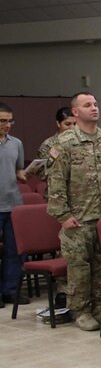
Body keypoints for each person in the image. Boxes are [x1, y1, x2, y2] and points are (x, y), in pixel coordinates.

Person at [47, 92, 101, 331]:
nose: (94, 108)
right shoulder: (64, 143)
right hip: (78, 218)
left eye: (95, 104)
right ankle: (81, 310)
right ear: (75, 112)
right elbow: (56, 182)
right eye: (87, 105)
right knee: (80, 268)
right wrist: (62, 216)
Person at [0, 103, 27, 305]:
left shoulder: (16, 143)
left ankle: (10, 290)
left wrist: (26, 174)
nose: (7, 125)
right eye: (3, 121)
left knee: (14, 251)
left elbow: (18, 171)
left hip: (13, 204)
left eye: (10, 121)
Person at [35, 105, 77, 180]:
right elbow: (42, 174)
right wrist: (57, 150)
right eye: (67, 124)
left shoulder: (83, 143)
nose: (72, 128)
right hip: (57, 188)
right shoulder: (49, 144)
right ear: (58, 124)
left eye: (75, 124)